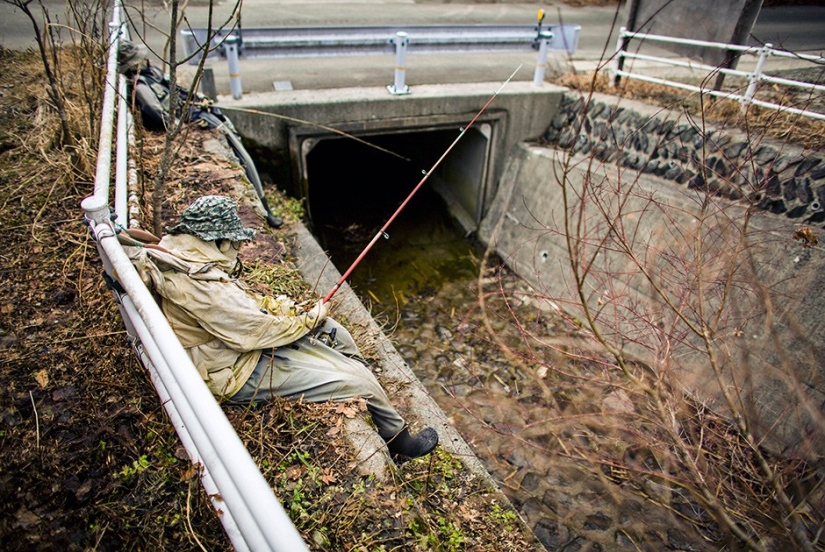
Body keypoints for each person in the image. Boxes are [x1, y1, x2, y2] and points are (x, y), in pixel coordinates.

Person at [131, 195, 438, 459]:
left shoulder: (190, 258)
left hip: (232, 349)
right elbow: (253, 330)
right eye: (235, 242)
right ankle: (398, 441)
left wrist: (293, 311)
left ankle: (358, 380)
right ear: (218, 241)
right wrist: (307, 319)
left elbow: (243, 309)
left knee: (334, 332)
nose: (238, 249)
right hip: (233, 371)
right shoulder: (199, 284)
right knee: (358, 383)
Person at [117, 40, 283, 228]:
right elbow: (156, 111)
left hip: (197, 110)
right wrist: (181, 125)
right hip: (194, 117)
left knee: (239, 146)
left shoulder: (152, 73)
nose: (145, 60)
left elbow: (178, 91)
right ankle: (266, 211)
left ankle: (266, 207)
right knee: (243, 157)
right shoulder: (141, 85)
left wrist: (199, 100)